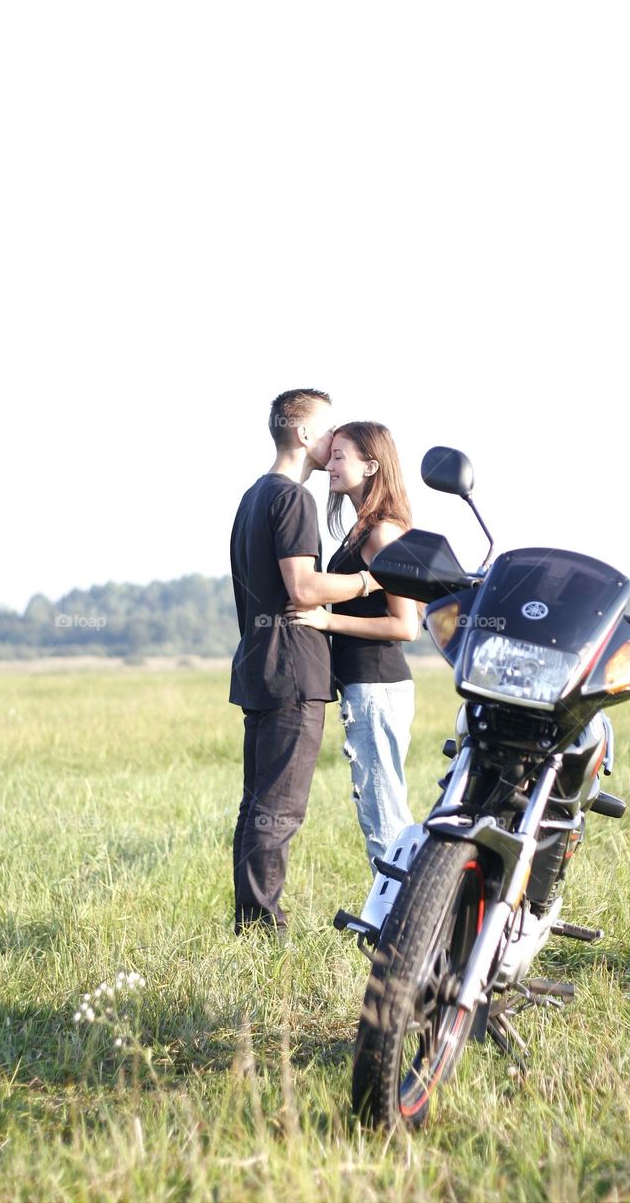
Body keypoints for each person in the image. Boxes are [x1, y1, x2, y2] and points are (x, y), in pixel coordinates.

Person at [229, 390, 384, 935]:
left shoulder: (253, 496)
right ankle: (262, 929)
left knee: (258, 808)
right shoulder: (294, 500)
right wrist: (370, 579)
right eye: (326, 431)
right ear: (302, 436)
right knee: (279, 811)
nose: (332, 442)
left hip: (258, 668)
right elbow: (303, 588)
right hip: (292, 670)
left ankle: (249, 924)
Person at [288, 422, 419, 869]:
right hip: (366, 689)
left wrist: (327, 619)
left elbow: (406, 625)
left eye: (340, 455)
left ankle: (401, 927)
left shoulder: (382, 534)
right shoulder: (362, 530)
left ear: (371, 465)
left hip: (377, 687)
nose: (330, 464)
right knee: (378, 808)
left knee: (384, 815)